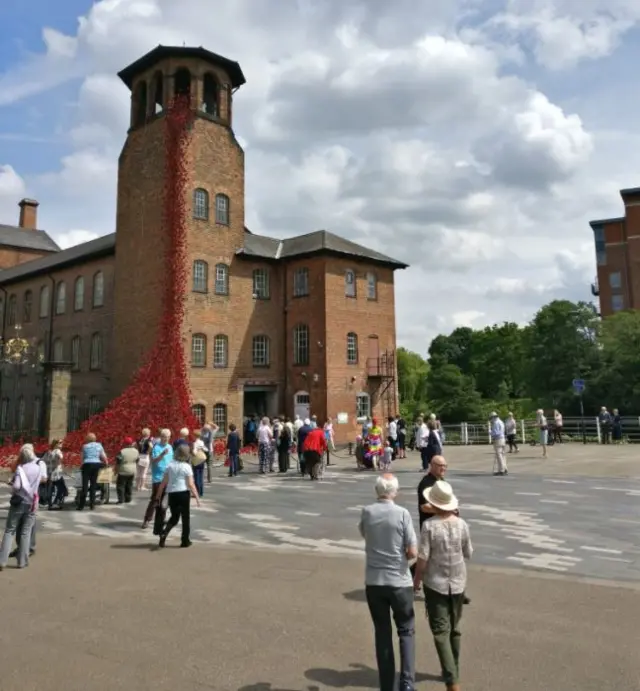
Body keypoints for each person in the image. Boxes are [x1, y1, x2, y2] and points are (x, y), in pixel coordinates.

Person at [359, 474, 417, 691]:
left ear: (377, 491)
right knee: (406, 630)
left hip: (374, 581)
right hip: (399, 580)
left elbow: (365, 534)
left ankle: (386, 685)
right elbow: (412, 551)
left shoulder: (367, 512)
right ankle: (407, 682)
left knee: (382, 633)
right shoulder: (402, 513)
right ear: (395, 491)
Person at [413, 480, 473, 691]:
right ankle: (453, 668)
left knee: (440, 631)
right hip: (458, 580)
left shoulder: (429, 526)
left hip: (435, 582)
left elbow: (422, 559)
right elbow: (469, 553)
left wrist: (416, 581)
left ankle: (452, 681)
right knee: (455, 629)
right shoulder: (462, 524)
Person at [0, 445, 43, 570]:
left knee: (10, 530)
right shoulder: (38, 468)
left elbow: (17, 486)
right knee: (26, 532)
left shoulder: (21, 469)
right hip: (33, 502)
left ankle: (2, 560)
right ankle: (22, 561)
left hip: (19, 502)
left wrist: (12, 485)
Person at [158, 444, 201, 548]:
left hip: (172, 493)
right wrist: (197, 497)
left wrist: (158, 495)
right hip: (183, 493)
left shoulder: (170, 465)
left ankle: (164, 532)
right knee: (185, 518)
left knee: (174, 517)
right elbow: (190, 484)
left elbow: (164, 482)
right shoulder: (186, 467)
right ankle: (185, 540)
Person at [142, 429, 173, 532]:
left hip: (167, 477)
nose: (166, 439)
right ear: (161, 437)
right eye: (164, 437)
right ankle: (147, 519)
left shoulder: (170, 447)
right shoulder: (157, 447)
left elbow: (172, 460)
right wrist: (162, 455)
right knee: (155, 499)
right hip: (158, 478)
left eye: (168, 437)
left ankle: (161, 521)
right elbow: (153, 461)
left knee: (164, 502)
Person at [77, 433, 108, 511]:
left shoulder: (85, 446)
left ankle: (81, 505)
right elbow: (103, 456)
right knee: (93, 485)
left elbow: (82, 457)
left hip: (87, 465)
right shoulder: (99, 445)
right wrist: (106, 463)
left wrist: (81, 465)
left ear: (88, 439)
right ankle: (92, 505)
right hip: (96, 465)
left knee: (85, 486)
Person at [114, 437, 139, 504]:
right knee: (129, 485)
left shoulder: (122, 451)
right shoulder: (136, 451)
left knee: (120, 486)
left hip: (123, 470)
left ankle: (121, 500)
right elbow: (137, 460)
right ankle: (128, 498)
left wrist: (115, 471)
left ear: (125, 443)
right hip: (132, 470)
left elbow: (118, 462)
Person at [191, 429, 207, 497]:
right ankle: (201, 492)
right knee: (201, 476)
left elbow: (194, 453)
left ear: (195, 436)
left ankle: (197, 493)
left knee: (196, 477)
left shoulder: (195, 443)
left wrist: (192, 450)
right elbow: (206, 449)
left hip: (196, 461)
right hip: (202, 460)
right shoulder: (202, 442)